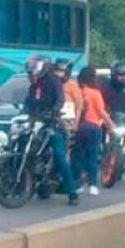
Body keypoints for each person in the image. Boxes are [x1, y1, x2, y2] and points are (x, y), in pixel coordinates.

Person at [23, 55, 79, 205]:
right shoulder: (33, 86)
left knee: (60, 156)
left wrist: (53, 111)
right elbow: (28, 103)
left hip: (52, 124)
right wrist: (25, 112)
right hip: (36, 123)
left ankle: (72, 193)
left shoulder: (54, 82)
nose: (31, 76)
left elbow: (60, 100)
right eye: (30, 73)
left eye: (33, 73)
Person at [71, 66, 114, 195]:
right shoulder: (95, 93)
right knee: (92, 156)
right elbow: (101, 112)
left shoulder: (77, 91)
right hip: (93, 127)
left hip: (79, 126)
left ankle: (77, 184)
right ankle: (93, 185)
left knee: (77, 156)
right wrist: (110, 124)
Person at [54, 58, 83, 132]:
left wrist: (75, 125)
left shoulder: (73, 86)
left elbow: (78, 107)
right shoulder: (52, 84)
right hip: (54, 119)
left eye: (61, 71)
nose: (58, 73)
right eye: (57, 70)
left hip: (68, 121)